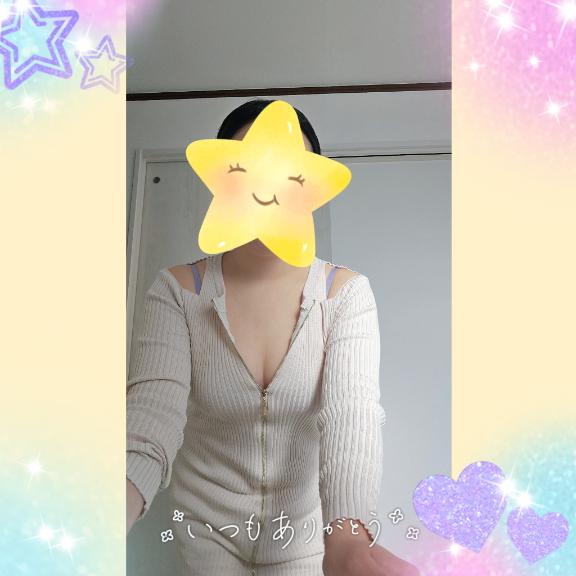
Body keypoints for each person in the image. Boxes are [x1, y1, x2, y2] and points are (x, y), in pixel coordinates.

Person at [126, 99, 420, 576]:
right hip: (204, 531)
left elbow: (352, 417)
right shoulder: (178, 290)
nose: (267, 191)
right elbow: (152, 416)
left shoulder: (345, 295)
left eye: (291, 176)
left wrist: (347, 543)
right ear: (219, 181)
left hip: (306, 536)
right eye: (247, 171)